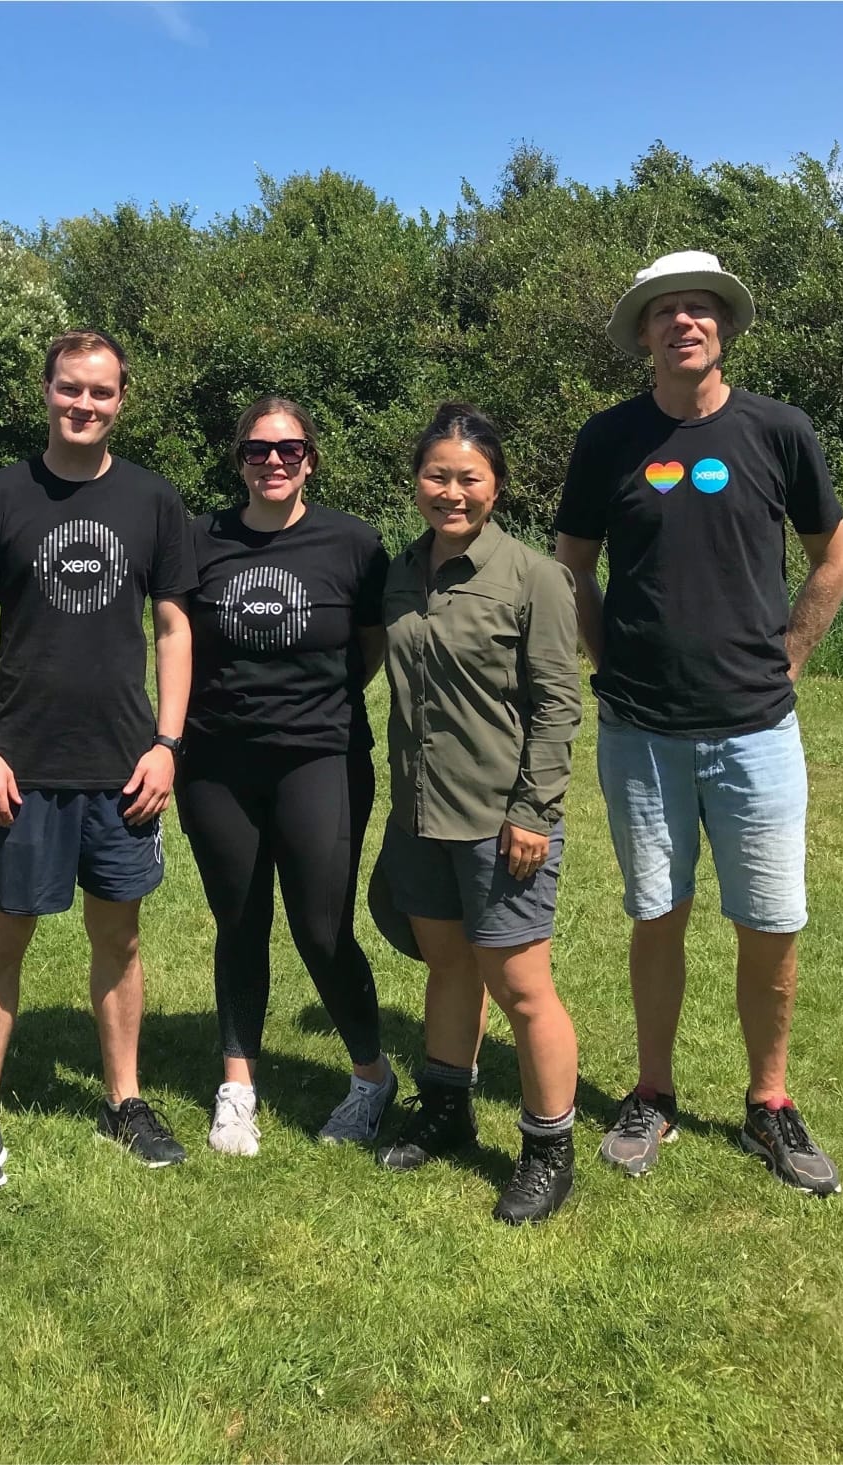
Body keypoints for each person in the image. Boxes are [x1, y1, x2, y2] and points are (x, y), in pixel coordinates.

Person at [555, 251, 843, 1196]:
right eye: (665, 312)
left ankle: (770, 1102)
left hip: (756, 729)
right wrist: (609, 666)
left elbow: (834, 557)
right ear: (643, 334)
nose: (684, 323)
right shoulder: (608, 439)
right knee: (658, 913)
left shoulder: (780, 430)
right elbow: (571, 568)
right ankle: (653, 1090)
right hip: (640, 731)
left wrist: (792, 656)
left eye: (700, 310)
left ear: (722, 326)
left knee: (771, 923)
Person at [0, 328, 196, 1190]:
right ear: (44, 391)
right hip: (22, 764)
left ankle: (124, 1099)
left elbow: (173, 627)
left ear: (122, 399)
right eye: (70, 388)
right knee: (1, 939)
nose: (84, 404)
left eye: (101, 392)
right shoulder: (0, 498)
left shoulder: (153, 501)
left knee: (118, 939)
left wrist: (167, 744)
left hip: (124, 767)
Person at [370, 402, 582, 1225]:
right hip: (421, 813)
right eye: (436, 475)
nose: (451, 492)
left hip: (505, 821)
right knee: (449, 966)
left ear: (495, 485)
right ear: (416, 481)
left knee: (523, 987)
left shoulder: (533, 576)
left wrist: (533, 809)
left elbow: (559, 704)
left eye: (468, 478)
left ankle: (546, 1146)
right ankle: (447, 1110)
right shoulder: (399, 570)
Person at [176, 395, 393, 1156]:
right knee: (240, 920)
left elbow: (369, 647)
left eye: (289, 449)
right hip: (215, 761)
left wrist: (308, 706)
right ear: (238, 457)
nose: (273, 461)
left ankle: (371, 1076)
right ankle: (237, 1087)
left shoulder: (355, 544)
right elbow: (174, 637)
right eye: (258, 449)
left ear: (311, 459)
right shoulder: (197, 539)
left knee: (321, 925)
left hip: (321, 755)